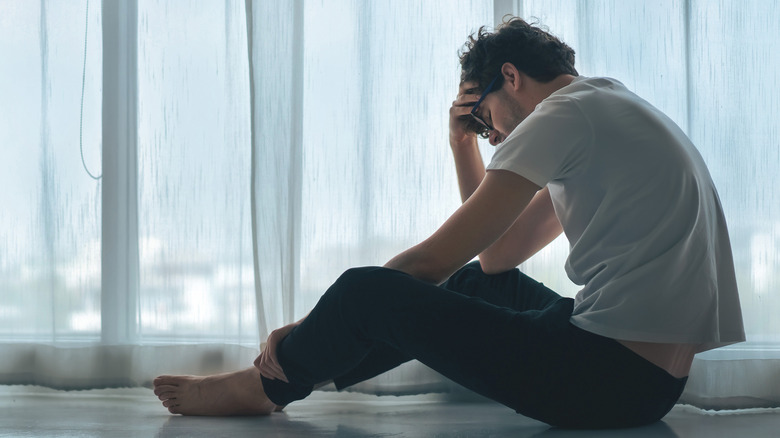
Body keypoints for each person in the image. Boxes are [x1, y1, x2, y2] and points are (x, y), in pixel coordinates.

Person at [153, 17, 745, 429]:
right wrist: (462, 144)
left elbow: (432, 261)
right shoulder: (606, 107)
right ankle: (300, 369)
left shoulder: (562, 118)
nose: (496, 136)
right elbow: (497, 257)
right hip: (651, 385)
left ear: (510, 77)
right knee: (477, 285)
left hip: (604, 378)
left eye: (487, 118)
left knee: (368, 289)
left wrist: (304, 324)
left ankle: (268, 381)